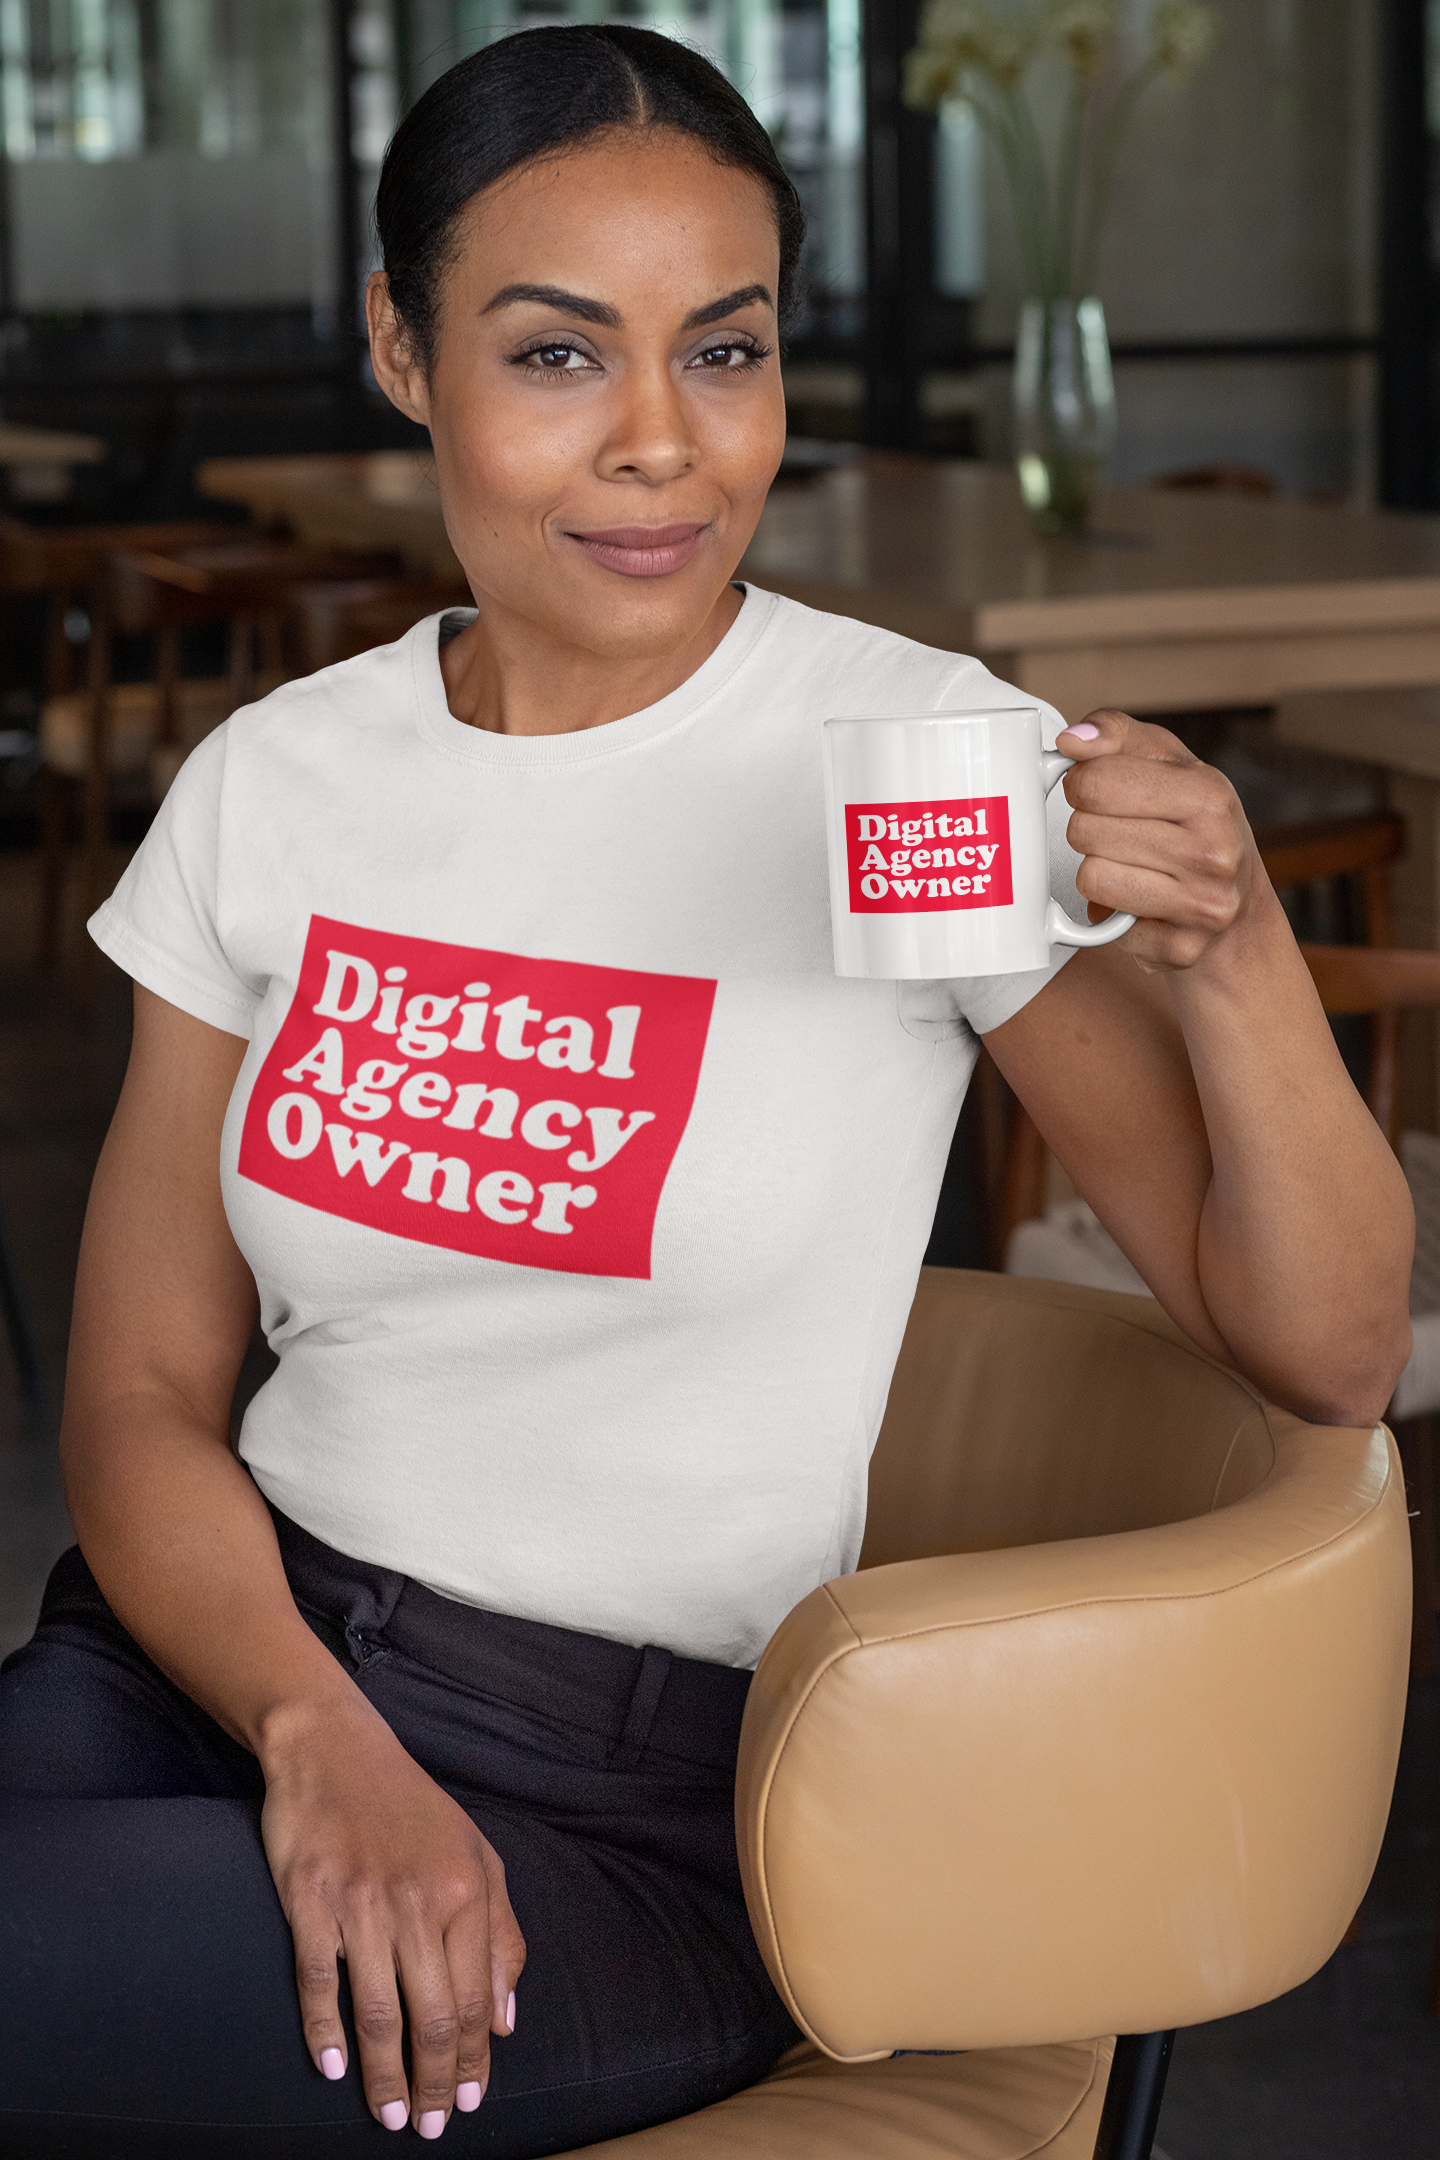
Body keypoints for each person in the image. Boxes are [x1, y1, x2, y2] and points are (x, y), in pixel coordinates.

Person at [0, 23, 1412, 2158]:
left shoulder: (906, 761)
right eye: (560, 355)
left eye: (725, 353)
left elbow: (1323, 1349)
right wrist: (314, 1734)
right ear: (403, 350)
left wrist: (1236, 957)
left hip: (625, 1801)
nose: (662, 444)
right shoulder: (270, 787)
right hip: (204, 1660)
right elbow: (135, 1401)